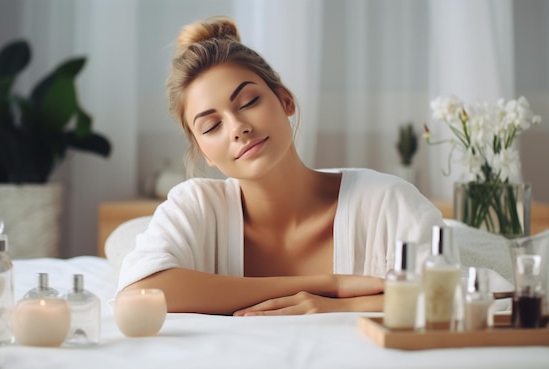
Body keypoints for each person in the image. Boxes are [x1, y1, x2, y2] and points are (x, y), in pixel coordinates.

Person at [117, 16, 443, 316]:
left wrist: (334, 307)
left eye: (249, 102)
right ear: (206, 154)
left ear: (285, 100)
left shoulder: (387, 202)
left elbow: (447, 298)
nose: (237, 128)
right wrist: (328, 284)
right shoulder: (196, 206)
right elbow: (137, 293)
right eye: (212, 126)